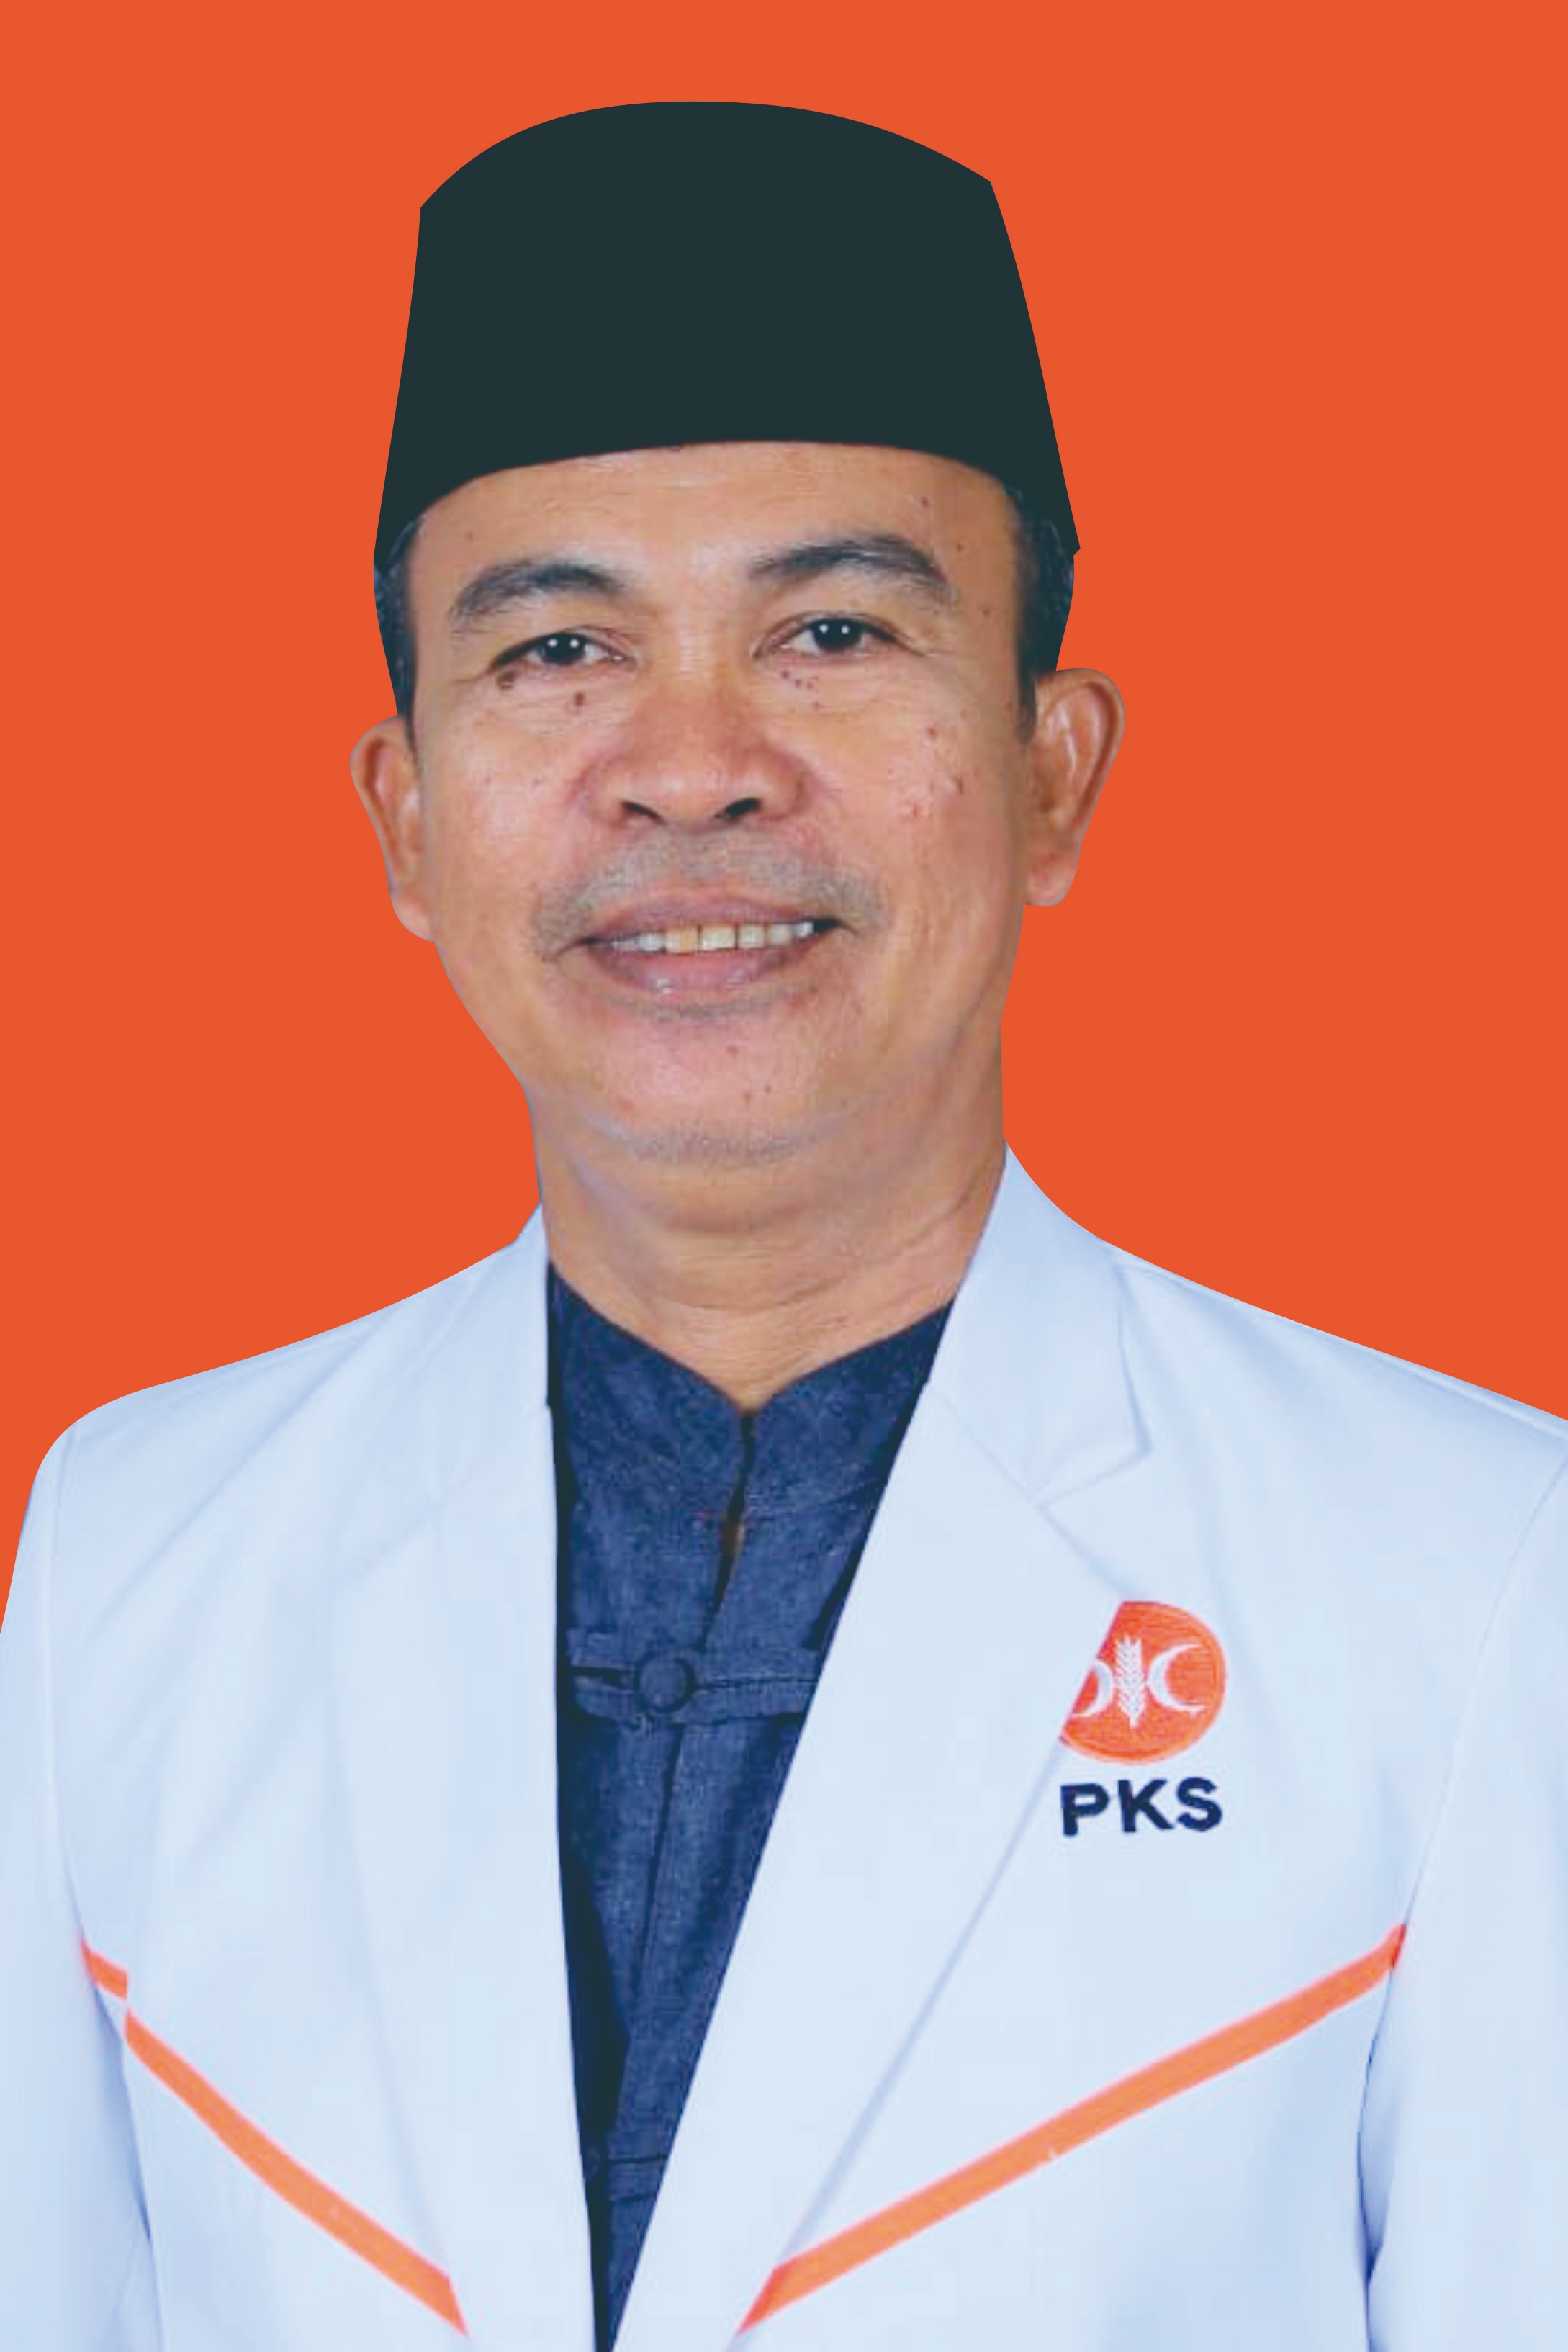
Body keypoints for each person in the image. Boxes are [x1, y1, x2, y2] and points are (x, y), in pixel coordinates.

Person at [0, 99, 1563, 2352]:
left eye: (830, 627)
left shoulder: (1473, 1578)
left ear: (1050, 770)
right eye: (556, 648)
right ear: (406, 819)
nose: (690, 760)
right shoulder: (138, 1553)